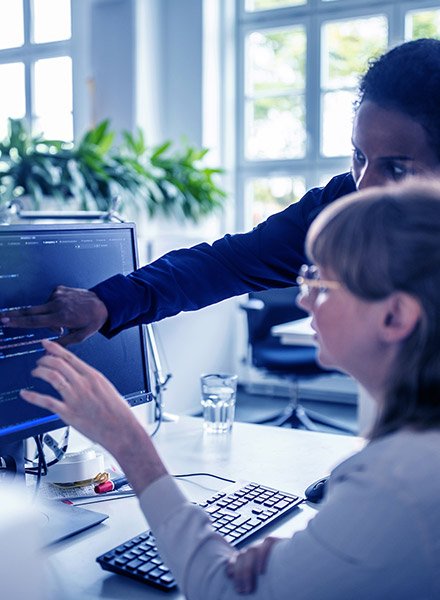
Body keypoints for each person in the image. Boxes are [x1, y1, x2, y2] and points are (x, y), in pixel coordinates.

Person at [21, 180, 440, 598]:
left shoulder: (395, 483)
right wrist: (309, 559)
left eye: (321, 284)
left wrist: (125, 439)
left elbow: (221, 590)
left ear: (395, 316)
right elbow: (232, 261)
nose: (303, 300)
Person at [2, 38, 440, 345]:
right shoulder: (343, 204)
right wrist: (106, 301)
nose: (365, 185)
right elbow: (229, 262)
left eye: (397, 168)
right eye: (359, 157)